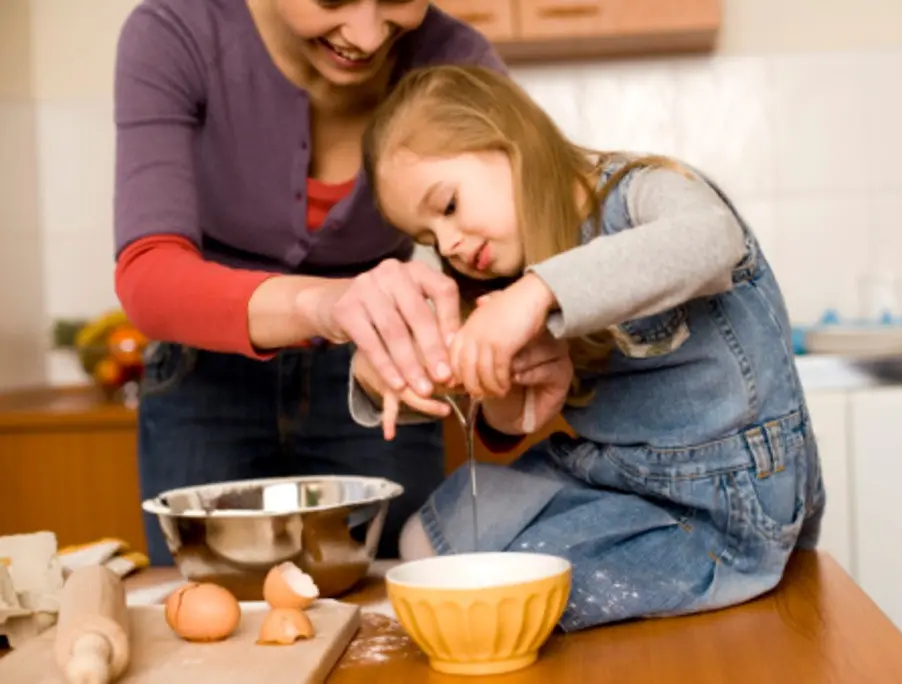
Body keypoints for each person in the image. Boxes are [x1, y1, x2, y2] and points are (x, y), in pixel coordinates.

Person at [348, 65, 828, 631]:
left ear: (510, 140)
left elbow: (711, 239)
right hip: (612, 475)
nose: (448, 244)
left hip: (725, 506)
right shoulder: (503, 270)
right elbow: (497, 412)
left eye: (448, 205)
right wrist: (391, 371)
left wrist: (539, 293)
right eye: (428, 238)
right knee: (424, 540)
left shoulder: (643, 191)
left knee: (495, 594)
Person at [112, 0, 507, 565]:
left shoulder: (457, 61)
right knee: (212, 617)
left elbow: (503, 275)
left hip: (376, 379)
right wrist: (328, 303)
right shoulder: (175, 33)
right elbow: (148, 275)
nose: (368, 37)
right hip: (205, 382)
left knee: (394, 610)